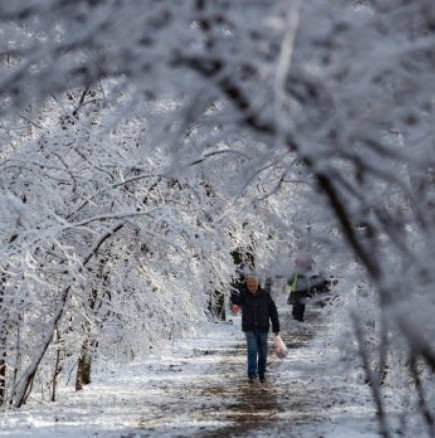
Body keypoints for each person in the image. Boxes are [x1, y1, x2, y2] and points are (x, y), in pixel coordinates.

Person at [231, 275, 280, 384]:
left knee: (263, 352)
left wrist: (276, 326)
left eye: (254, 285)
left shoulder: (265, 295)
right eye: (250, 286)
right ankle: (252, 374)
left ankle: (262, 373)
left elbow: (273, 311)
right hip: (249, 328)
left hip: (263, 328)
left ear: (258, 284)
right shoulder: (244, 294)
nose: (252, 288)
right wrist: (240, 286)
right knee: (252, 350)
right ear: (247, 285)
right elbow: (234, 299)